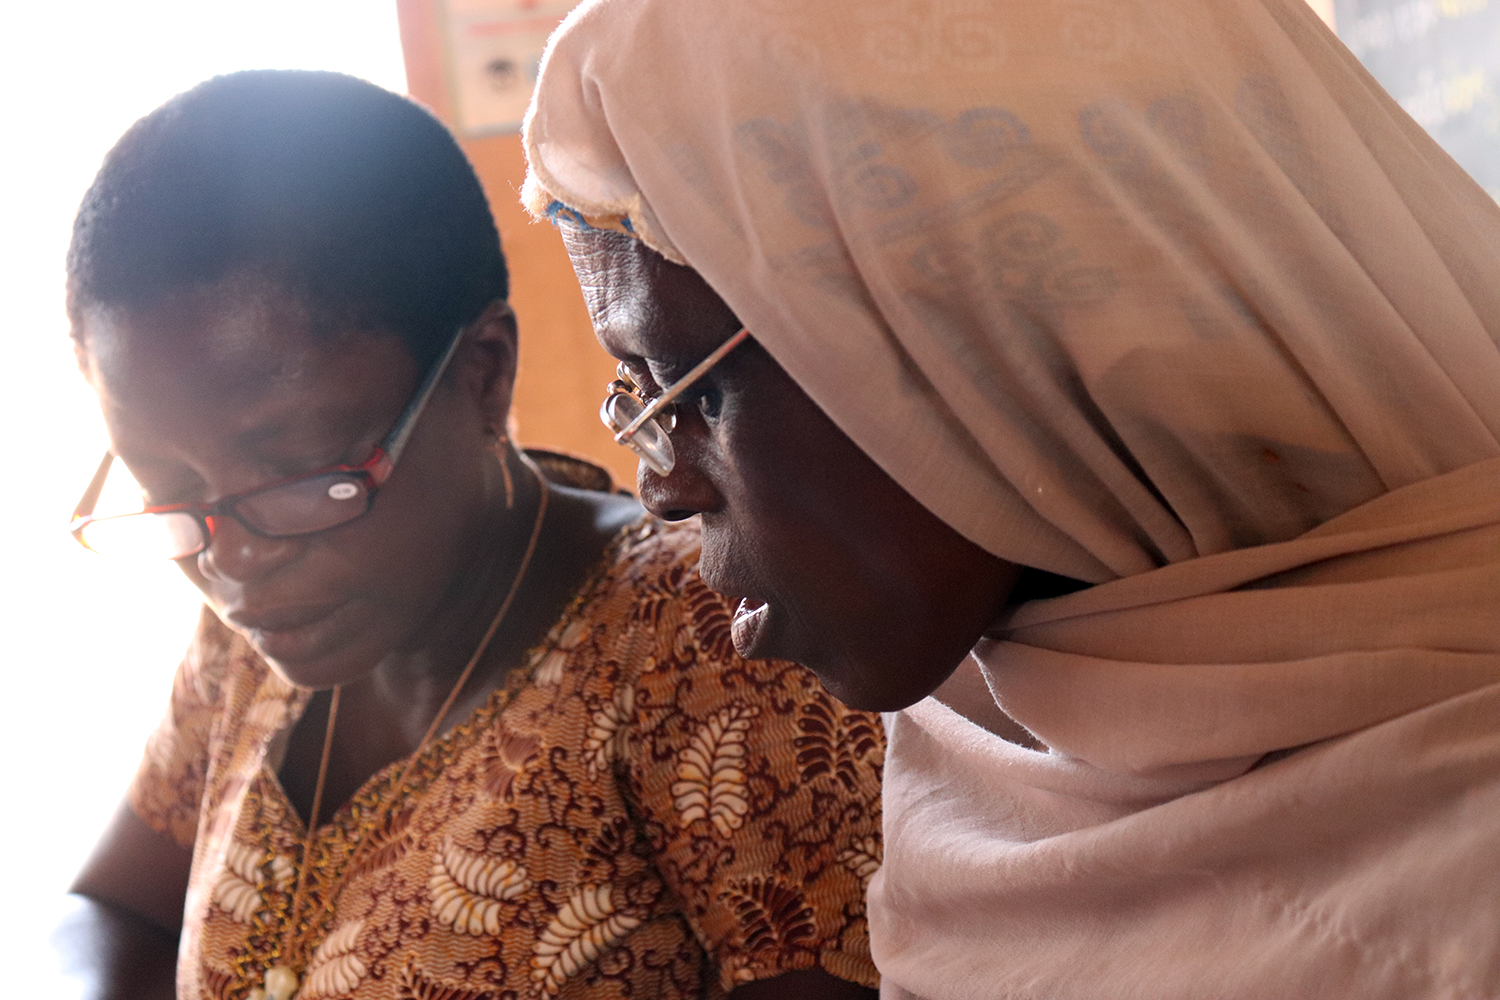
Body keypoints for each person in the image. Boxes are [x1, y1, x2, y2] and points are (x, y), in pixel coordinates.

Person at [521, 0, 1500, 995]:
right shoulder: (981, 728)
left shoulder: (1466, 846)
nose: (664, 488)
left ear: (987, 329)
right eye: (637, 402)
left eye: (688, 388)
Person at [57, 69, 883, 1000]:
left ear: (485, 373)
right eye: (168, 487)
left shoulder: (709, 649)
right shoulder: (248, 630)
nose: (232, 560)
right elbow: (115, 910)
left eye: (301, 473)